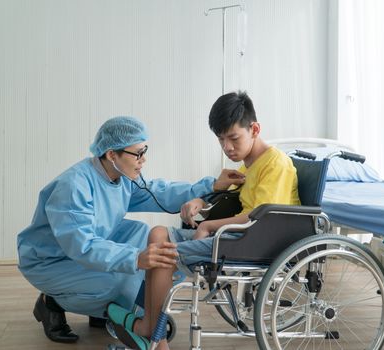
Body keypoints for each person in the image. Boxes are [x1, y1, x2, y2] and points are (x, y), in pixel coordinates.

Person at [17, 116, 245, 343]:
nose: (143, 159)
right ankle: (52, 302)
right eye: (137, 153)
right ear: (111, 154)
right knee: (116, 282)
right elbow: (82, 246)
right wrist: (135, 258)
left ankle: (111, 310)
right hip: (51, 260)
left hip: (92, 242)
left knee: (146, 238)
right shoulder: (74, 186)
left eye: (144, 151)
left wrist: (211, 185)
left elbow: (160, 192)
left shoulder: (121, 175)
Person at [106, 91, 301, 349]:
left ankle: (156, 340)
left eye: (233, 138)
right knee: (158, 234)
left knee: (163, 254)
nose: (227, 147)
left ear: (254, 129)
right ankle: (149, 327)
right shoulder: (248, 165)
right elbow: (228, 199)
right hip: (236, 235)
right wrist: (200, 201)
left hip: (252, 240)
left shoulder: (275, 164)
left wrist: (208, 225)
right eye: (221, 140)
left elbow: (257, 217)